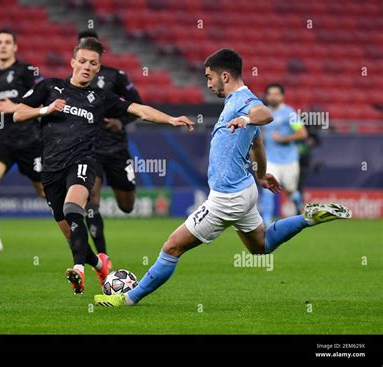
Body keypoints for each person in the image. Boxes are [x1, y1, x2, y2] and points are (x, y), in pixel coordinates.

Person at [94, 49, 352, 307]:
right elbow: (258, 143)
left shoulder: (243, 101)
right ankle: (307, 218)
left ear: (225, 76)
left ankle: (127, 299)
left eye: (209, 77)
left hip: (227, 197)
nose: (208, 84)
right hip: (245, 189)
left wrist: (246, 118)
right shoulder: (235, 101)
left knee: (172, 247)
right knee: (261, 246)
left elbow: (265, 115)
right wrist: (261, 175)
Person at [13, 37, 194, 294]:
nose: (87, 66)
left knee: (73, 207)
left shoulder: (101, 98)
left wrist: (171, 119)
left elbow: (140, 110)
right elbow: (18, 113)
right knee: (72, 236)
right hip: (52, 168)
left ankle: (78, 269)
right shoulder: (50, 87)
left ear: (99, 68)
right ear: (73, 61)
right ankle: (100, 264)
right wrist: (45, 110)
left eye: (93, 63)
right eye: (83, 61)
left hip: (83, 162)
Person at [0, 29, 47, 257]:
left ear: (15, 47)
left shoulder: (26, 71)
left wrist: (14, 107)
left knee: (46, 193)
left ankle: (76, 222)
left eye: (7, 42)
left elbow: (45, 99)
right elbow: (3, 108)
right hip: (3, 141)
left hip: (30, 141)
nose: (3, 46)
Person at [77, 30, 143, 265]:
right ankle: (103, 258)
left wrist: (119, 121)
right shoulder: (71, 83)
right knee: (90, 201)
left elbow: (138, 105)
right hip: (89, 149)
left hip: (116, 149)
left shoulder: (117, 76)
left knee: (127, 206)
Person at [260, 83, 308, 226]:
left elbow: (302, 133)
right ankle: (266, 223)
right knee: (267, 189)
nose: (273, 97)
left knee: (291, 190)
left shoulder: (290, 113)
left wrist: (284, 138)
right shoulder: (263, 113)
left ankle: (300, 209)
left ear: (282, 96)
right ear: (267, 96)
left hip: (289, 159)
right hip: (270, 159)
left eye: (276, 94)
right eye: (270, 94)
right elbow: (261, 134)